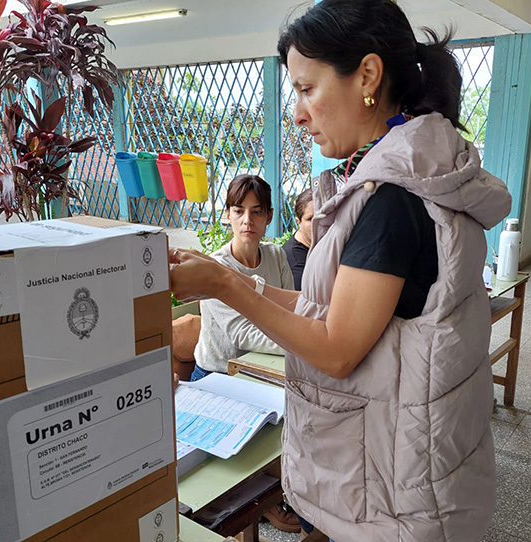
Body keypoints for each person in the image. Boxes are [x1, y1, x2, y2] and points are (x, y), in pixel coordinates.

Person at [169, 1, 511, 540]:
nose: (298, 113)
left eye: (307, 90)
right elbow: (329, 309)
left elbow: (336, 346)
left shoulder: (393, 199)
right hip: (408, 462)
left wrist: (221, 284)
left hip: (396, 488)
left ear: (368, 76)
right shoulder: (408, 175)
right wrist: (235, 281)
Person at [191, 174, 295, 382]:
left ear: (269, 216)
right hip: (216, 375)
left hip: (264, 367)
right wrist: (304, 345)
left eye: (256, 212)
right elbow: (242, 334)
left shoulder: (276, 255)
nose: (247, 220)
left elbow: (291, 310)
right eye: (239, 211)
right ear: (228, 215)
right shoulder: (216, 267)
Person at [282, 189, 313, 290]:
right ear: (298, 222)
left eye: (323, 216)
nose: (319, 223)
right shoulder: (296, 265)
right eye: (311, 219)